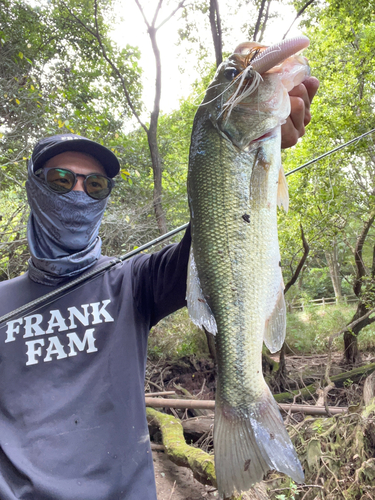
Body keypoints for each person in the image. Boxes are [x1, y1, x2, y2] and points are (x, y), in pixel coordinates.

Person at [0, 77, 319, 500]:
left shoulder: (133, 282)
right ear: (35, 187)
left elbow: (217, 241)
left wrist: (245, 152)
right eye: (61, 180)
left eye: (94, 185)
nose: (79, 192)